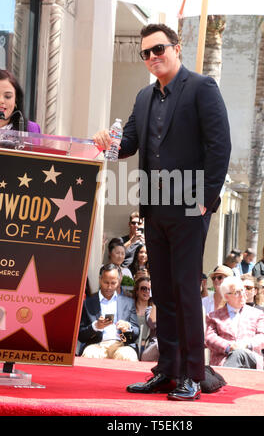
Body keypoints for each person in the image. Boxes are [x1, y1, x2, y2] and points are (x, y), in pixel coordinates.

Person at [93, 23, 231, 401]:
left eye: (158, 49)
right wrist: (108, 142)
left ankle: (191, 374)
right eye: (145, 53)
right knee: (164, 293)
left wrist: (205, 200)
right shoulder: (142, 97)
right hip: (154, 209)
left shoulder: (202, 88)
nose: (152, 57)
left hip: (190, 205)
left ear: (176, 47)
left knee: (186, 291)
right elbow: (128, 145)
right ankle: (167, 370)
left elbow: (220, 146)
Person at [205, 276, 264, 370]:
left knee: (239, 353)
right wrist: (229, 347)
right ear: (226, 296)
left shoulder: (256, 314)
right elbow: (209, 338)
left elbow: (263, 337)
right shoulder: (214, 316)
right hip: (223, 360)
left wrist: (247, 344)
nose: (243, 294)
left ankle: (225, 381)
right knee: (237, 354)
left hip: (250, 359)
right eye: (237, 292)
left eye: (243, 290)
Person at [78, 263, 139, 361]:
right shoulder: (88, 303)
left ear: (119, 281)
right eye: (106, 282)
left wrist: (127, 327)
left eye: (113, 283)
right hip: (96, 345)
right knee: (90, 354)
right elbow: (81, 335)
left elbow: (136, 333)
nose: (109, 287)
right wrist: (96, 326)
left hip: (121, 345)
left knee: (127, 355)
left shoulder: (128, 303)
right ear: (100, 279)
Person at [241, 273, 264, 361]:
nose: (244, 290)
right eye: (242, 288)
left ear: (255, 291)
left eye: (248, 288)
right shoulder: (232, 310)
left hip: (255, 352)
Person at [133, 277, 152, 356]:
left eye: (149, 289)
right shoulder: (130, 307)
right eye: (144, 288)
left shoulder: (153, 309)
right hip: (131, 347)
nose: (147, 291)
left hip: (148, 348)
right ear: (137, 291)